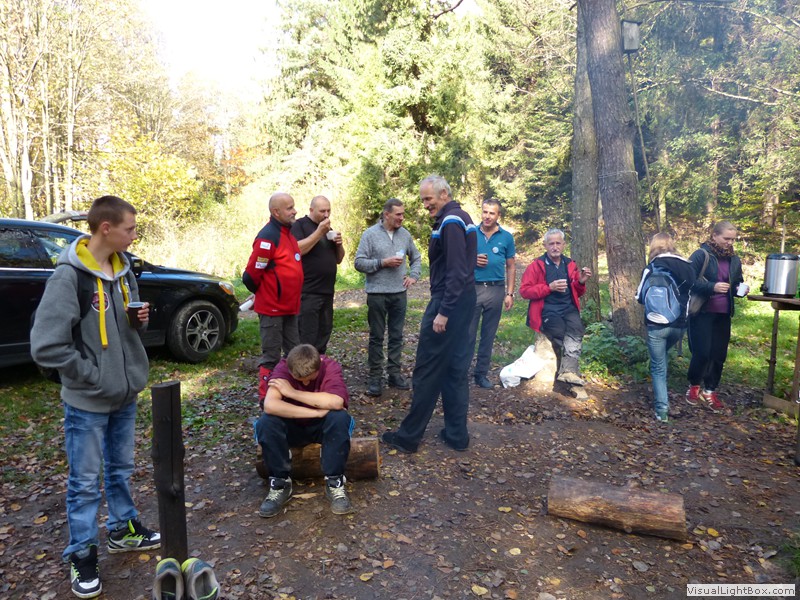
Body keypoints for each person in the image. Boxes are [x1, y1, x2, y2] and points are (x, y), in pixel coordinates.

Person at [30, 195, 160, 599]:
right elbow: (46, 346)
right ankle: (82, 554)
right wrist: (91, 375)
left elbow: (123, 329)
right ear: (106, 228)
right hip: (87, 401)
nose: (134, 235)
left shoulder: (124, 270)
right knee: (84, 484)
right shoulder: (69, 277)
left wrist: (137, 321)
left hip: (125, 394)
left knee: (120, 470)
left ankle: (122, 529)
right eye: (129, 228)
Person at [381, 175, 477, 453]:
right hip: (464, 300)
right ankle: (457, 435)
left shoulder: (451, 222)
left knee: (427, 369)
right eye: (423, 199)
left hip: (449, 302)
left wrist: (444, 312)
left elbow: (457, 270)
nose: (425, 205)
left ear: (444, 194)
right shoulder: (462, 218)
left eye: (428, 199)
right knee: (455, 368)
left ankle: (408, 437)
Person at [255, 344, 355, 516]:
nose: (306, 383)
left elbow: (337, 401)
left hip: (321, 428)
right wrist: (315, 412)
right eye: (300, 380)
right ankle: (279, 483)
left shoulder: (329, 366)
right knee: (266, 422)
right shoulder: (282, 368)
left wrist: (292, 392)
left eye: (310, 378)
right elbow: (270, 405)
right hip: (292, 426)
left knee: (339, 418)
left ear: (319, 366)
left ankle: (335, 482)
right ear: (290, 370)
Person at [354, 198, 422, 396]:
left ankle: (394, 373)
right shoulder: (370, 234)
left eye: (403, 214)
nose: (402, 218)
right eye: (398, 214)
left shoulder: (405, 234)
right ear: (387, 214)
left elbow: (416, 258)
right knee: (376, 336)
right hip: (377, 294)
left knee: (396, 335)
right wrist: (382, 262)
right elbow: (359, 263)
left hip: (399, 293)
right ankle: (375, 377)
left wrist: (414, 276)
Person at [244, 192, 304, 402]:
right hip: (272, 309)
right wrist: (263, 294)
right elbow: (251, 275)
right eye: (289, 208)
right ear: (276, 212)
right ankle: (266, 399)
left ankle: (291, 394)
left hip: (290, 308)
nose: (294, 211)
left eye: (293, 206)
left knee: (295, 353)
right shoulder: (268, 237)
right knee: (271, 356)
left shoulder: (288, 233)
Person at [519, 228, 592, 386]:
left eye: (558, 243)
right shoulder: (536, 265)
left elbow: (578, 292)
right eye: (551, 243)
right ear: (545, 245)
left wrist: (581, 281)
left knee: (577, 330)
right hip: (547, 310)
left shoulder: (570, 264)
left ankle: (567, 372)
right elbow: (524, 291)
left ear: (564, 245)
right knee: (562, 334)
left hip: (569, 307)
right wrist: (549, 288)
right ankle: (569, 372)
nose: (555, 247)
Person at [635, 233, 695, 422]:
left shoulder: (651, 267)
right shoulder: (687, 266)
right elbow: (692, 293)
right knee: (662, 360)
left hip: (656, 324)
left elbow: (639, 297)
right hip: (680, 325)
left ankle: (662, 411)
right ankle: (663, 404)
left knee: (658, 367)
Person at [685, 221, 745, 413]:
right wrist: (712, 287)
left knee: (719, 355)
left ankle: (710, 391)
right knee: (702, 352)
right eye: (726, 238)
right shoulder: (700, 255)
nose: (730, 242)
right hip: (702, 311)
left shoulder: (734, 259)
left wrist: (740, 290)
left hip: (723, 314)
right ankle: (694, 386)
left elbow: (737, 283)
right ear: (714, 236)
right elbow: (687, 281)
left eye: (733, 239)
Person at [469, 199, 516, 389]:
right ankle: (461, 372)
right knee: (468, 333)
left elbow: (511, 266)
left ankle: (481, 374)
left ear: (498, 216)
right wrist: (472, 260)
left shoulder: (506, 237)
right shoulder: (471, 233)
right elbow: (459, 259)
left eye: (492, 213)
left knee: (488, 335)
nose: (487, 216)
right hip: (473, 288)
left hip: (496, 289)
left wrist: (510, 293)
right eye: (485, 212)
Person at [291, 195, 345, 355]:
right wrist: (319, 232)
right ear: (311, 210)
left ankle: (319, 364)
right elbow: (297, 250)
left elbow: (339, 259)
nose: (326, 215)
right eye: (322, 211)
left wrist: (339, 245)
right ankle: (303, 366)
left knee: (324, 333)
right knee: (307, 336)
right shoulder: (300, 225)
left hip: (327, 291)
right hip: (308, 292)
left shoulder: (328, 229)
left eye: (329, 211)